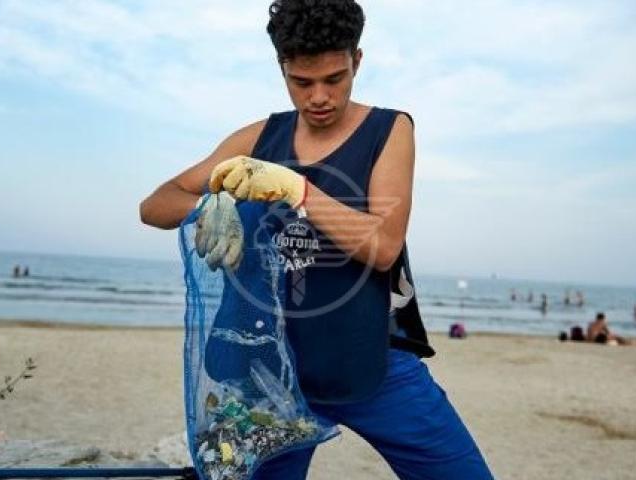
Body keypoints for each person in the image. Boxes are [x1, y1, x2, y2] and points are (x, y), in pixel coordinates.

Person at [138, 1, 493, 478]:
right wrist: (212, 208)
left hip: (372, 359)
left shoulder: (389, 130)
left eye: (335, 78)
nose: (319, 97)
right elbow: (155, 204)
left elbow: (383, 245)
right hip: (267, 370)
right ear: (282, 67)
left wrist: (296, 188)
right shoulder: (259, 137)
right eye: (302, 82)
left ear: (357, 62)